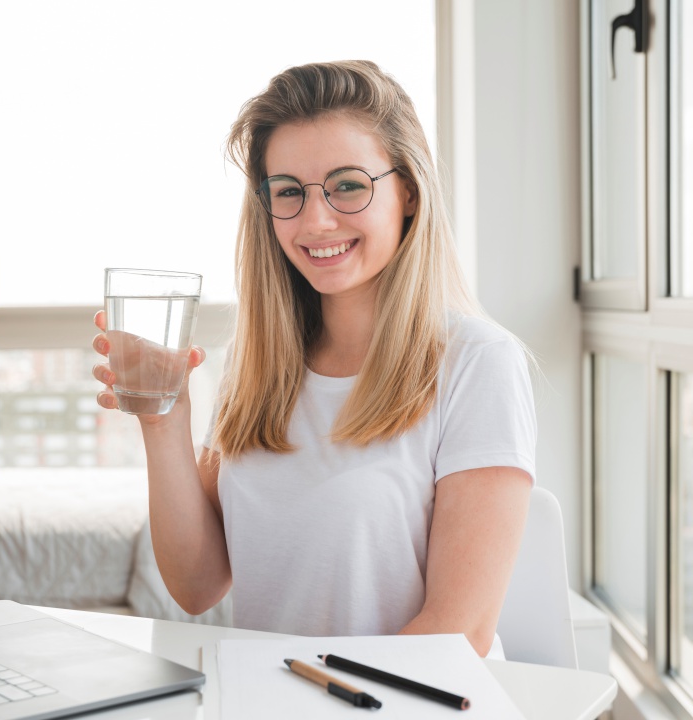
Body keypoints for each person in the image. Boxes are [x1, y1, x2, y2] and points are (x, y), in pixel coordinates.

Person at [92, 60, 536, 659]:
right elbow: (197, 587)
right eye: (289, 193)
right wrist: (163, 419)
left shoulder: (478, 364)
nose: (315, 219)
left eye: (348, 184)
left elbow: (457, 634)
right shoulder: (258, 366)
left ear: (407, 190)